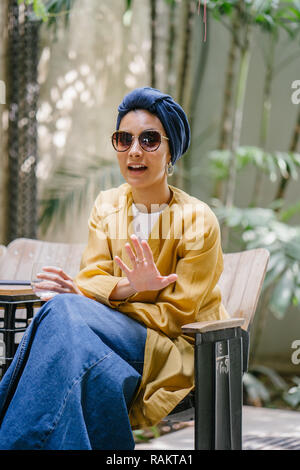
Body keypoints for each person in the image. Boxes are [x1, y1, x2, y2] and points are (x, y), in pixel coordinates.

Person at [0, 87, 228, 450]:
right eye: (124, 139)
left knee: (62, 311)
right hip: (102, 341)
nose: (135, 151)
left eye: (150, 140)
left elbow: (176, 315)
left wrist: (97, 302)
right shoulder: (107, 206)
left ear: (171, 152)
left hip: (166, 349)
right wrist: (129, 288)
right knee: (84, 353)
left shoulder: (197, 221)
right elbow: (92, 277)